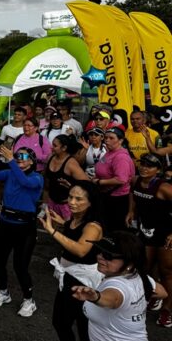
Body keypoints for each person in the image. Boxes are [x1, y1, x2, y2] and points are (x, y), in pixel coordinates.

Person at [72, 232, 168, 341]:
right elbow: (162, 292)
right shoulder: (138, 275)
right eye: (100, 251)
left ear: (129, 263)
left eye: (108, 256)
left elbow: (114, 299)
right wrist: (135, 303)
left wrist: (96, 297)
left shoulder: (119, 286)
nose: (99, 257)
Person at [39, 181, 103, 341]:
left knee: (79, 326)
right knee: (62, 322)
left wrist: (52, 231)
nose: (72, 202)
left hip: (83, 281)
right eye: (70, 197)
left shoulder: (93, 227)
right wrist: (62, 224)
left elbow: (81, 250)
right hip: (68, 277)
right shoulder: (75, 219)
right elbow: (73, 233)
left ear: (90, 202)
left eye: (79, 199)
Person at [0, 145, 44, 317]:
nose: (19, 158)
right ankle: (4, 292)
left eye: (24, 156)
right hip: (5, 223)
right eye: (18, 155)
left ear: (32, 162)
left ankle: (28, 299)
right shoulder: (11, 172)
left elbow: (25, 182)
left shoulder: (37, 178)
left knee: (20, 266)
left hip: (24, 227)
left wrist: (10, 159)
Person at [126, 153, 172, 327]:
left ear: (158, 170)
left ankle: (167, 310)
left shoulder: (164, 187)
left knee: (167, 271)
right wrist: (131, 211)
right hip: (146, 231)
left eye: (150, 166)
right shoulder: (136, 180)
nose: (144, 168)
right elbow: (133, 194)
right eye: (142, 164)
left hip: (165, 234)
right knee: (145, 267)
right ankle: (155, 296)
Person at [93, 127, 134, 232]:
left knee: (114, 228)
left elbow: (121, 179)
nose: (107, 140)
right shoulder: (110, 152)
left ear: (120, 140)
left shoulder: (121, 157)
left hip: (117, 199)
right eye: (106, 138)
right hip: (107, 195)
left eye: (111, 138)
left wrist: (100, 182)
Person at [44, 134, 89, 221]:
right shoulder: (50, 157)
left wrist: (71, 186)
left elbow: (87, 184)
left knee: (66, 231)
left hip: (66, 206)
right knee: (52, 230)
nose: (51, 147)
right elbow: (47, 181)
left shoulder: (71, 164)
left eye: (55, 145)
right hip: (52, 202)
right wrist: (45, 202)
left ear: (64, 148)